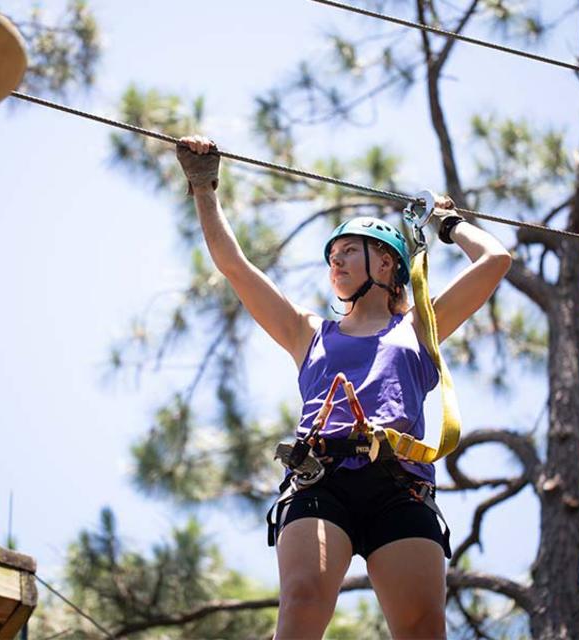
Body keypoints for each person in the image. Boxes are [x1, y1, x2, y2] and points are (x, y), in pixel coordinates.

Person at [176, 135, 512, 640]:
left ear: (387, 264)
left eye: (349, 250)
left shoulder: (421, 326)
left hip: (400, 485)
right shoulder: (307, 331)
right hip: (321, 476)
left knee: (423, 627)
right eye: (333, 253)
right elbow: (235, 268)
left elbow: (495, 261)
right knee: (304, 601)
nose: (336, 261)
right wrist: (204, 187)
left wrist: (446, 225)